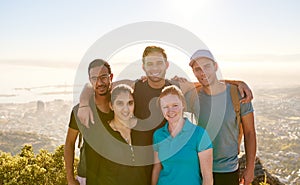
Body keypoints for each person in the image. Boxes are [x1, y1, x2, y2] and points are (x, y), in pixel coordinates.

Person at [78, 46, 253, 184]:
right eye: (150, 64)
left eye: (159, 63)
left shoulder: (174, 87)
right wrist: (84, 103)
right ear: (143, 67)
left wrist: (238, 83)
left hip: (166, 164)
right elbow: (98, 85)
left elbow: (206, 81)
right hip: (140, 164)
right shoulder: (136, 85)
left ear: (166, 65)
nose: (155, 68)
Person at [187, 49, 257, 185]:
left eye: (207, 66)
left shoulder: (238, 94)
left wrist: (250, 168)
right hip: (200, 168)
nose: (202, 73)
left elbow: (250, 133)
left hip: (228, 170)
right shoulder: (193, 96)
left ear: (216, 66)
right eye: (197, 69)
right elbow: (166, 91)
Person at [64, 58, 114, 185]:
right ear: (90, 81)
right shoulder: (79, 111)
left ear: (111, 77)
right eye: (94, 78)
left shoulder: (121, 105)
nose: (99, 82)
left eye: (103, 77)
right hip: (87, 176)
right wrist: (70, 178)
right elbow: (69, 143)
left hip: (115, 176)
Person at [152, 85, 213, 185]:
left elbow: (208, 179)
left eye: (175, 105)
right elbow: (157, 168)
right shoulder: (158, 135)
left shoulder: (199, 135)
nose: (170, 111)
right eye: (165, 107)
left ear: (183, 105)